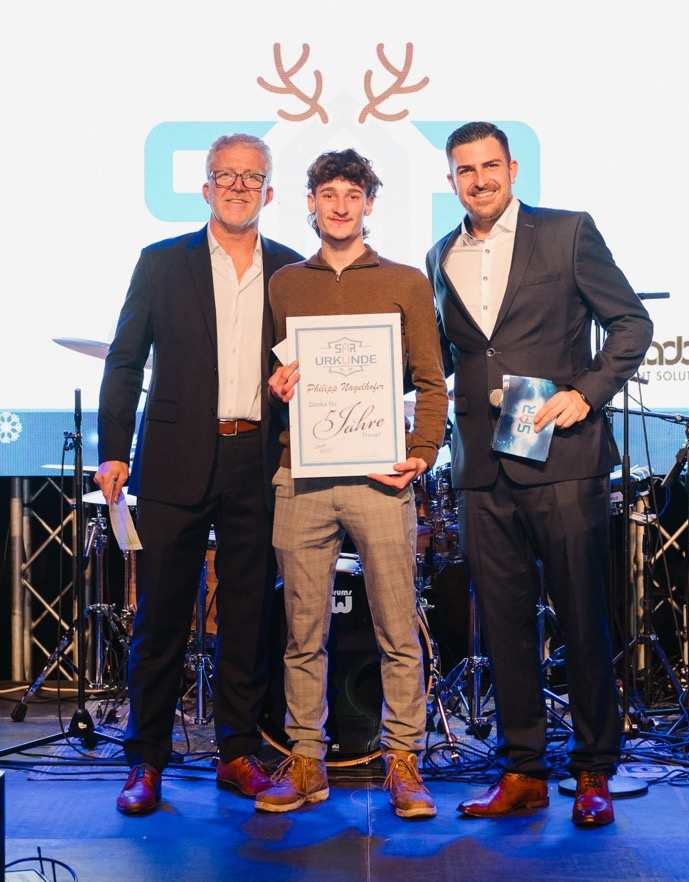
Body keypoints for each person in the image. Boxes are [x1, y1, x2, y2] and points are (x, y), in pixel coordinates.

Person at [426, 122, 653, 826]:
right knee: (502, 625)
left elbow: (631, 324)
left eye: (490, 165)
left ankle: (592, 770)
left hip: (562, 458)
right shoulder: (439, 255)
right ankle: (521, 769)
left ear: (513, 168)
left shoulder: (567, 232)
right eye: (466, 170)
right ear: (451, 180)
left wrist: (587, 392)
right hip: (482, 467)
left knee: (582, 619)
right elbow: (442, 357)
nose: (480, 179)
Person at [95, 133, 302, 815]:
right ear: (206, 187)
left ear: (269, 191)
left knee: (247, 616)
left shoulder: (290, 269)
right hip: (173, 459)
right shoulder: (161, 262)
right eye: (226, 175)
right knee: (160, 618)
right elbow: (124, 359)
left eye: (252, 177)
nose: (239, 187)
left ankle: (238, 753)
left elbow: (305, 361)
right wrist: (114, 450)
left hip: (256, 460)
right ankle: (146, 760)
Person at [263, 149, 448, 818]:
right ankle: (305, 760)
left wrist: (421, 452)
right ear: (310, 203)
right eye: (328, 194)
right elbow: (274, 374)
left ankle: (404, 761)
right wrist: (276, 385)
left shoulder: (405, 282)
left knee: (397, 628)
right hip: (302, 476)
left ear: (369, 204)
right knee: (301, 633)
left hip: (380, 477)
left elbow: (431, 381)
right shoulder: (285, 284)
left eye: (352, 195)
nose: (339, 206)